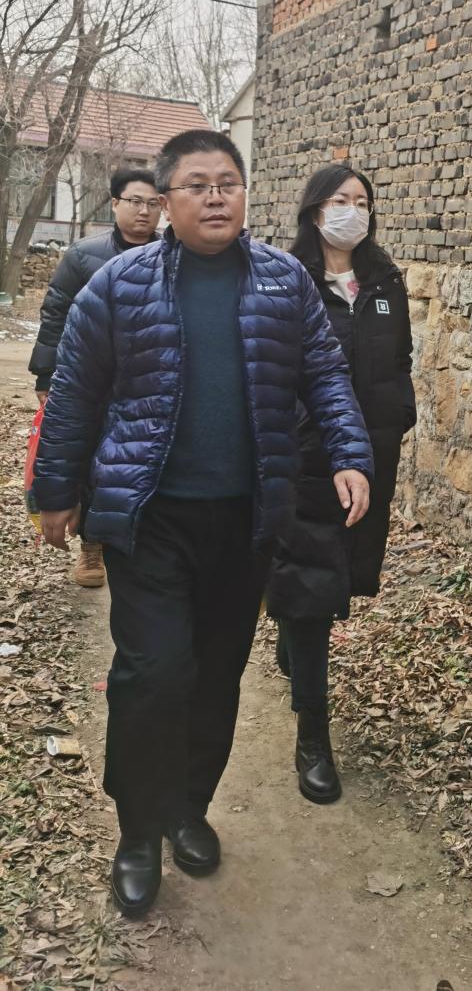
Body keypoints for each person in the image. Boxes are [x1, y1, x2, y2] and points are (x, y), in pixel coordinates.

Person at [32, 131, 373, 920]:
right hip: (150, 517)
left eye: (228, 181)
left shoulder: (285, 280)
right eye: (197, 184)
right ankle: (137, 830)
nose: (216, 195)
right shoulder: (118, 286)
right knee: (154, 674)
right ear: (165, 200)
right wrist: (56, 491)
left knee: (217, 674)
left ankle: (189, 806)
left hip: (246, 519)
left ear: (246, 193)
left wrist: (350, 453)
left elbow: (325, 373)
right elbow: (76, 393)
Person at [266, 163, 416, 804]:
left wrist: (398, 416)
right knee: (311, 586)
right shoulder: (286, 279)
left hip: (373, 455)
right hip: (306, 458)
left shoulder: (385, 281)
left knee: (344, 573)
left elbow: (399, 358)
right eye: (340, 200)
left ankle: (293, 630)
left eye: (363, 201)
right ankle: (313, 738)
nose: (353, 210)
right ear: (314, 210)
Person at [28, 166, 162, 588]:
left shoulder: (174, 256)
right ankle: (91, 544)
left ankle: (143, 536)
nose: (144, 211)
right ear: (116, 203)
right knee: (92, 459)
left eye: (153, 203)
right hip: (93, 379)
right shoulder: (84, 256)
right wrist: (46, 375)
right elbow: (56, 315)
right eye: (135, 201)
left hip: (148, 381)